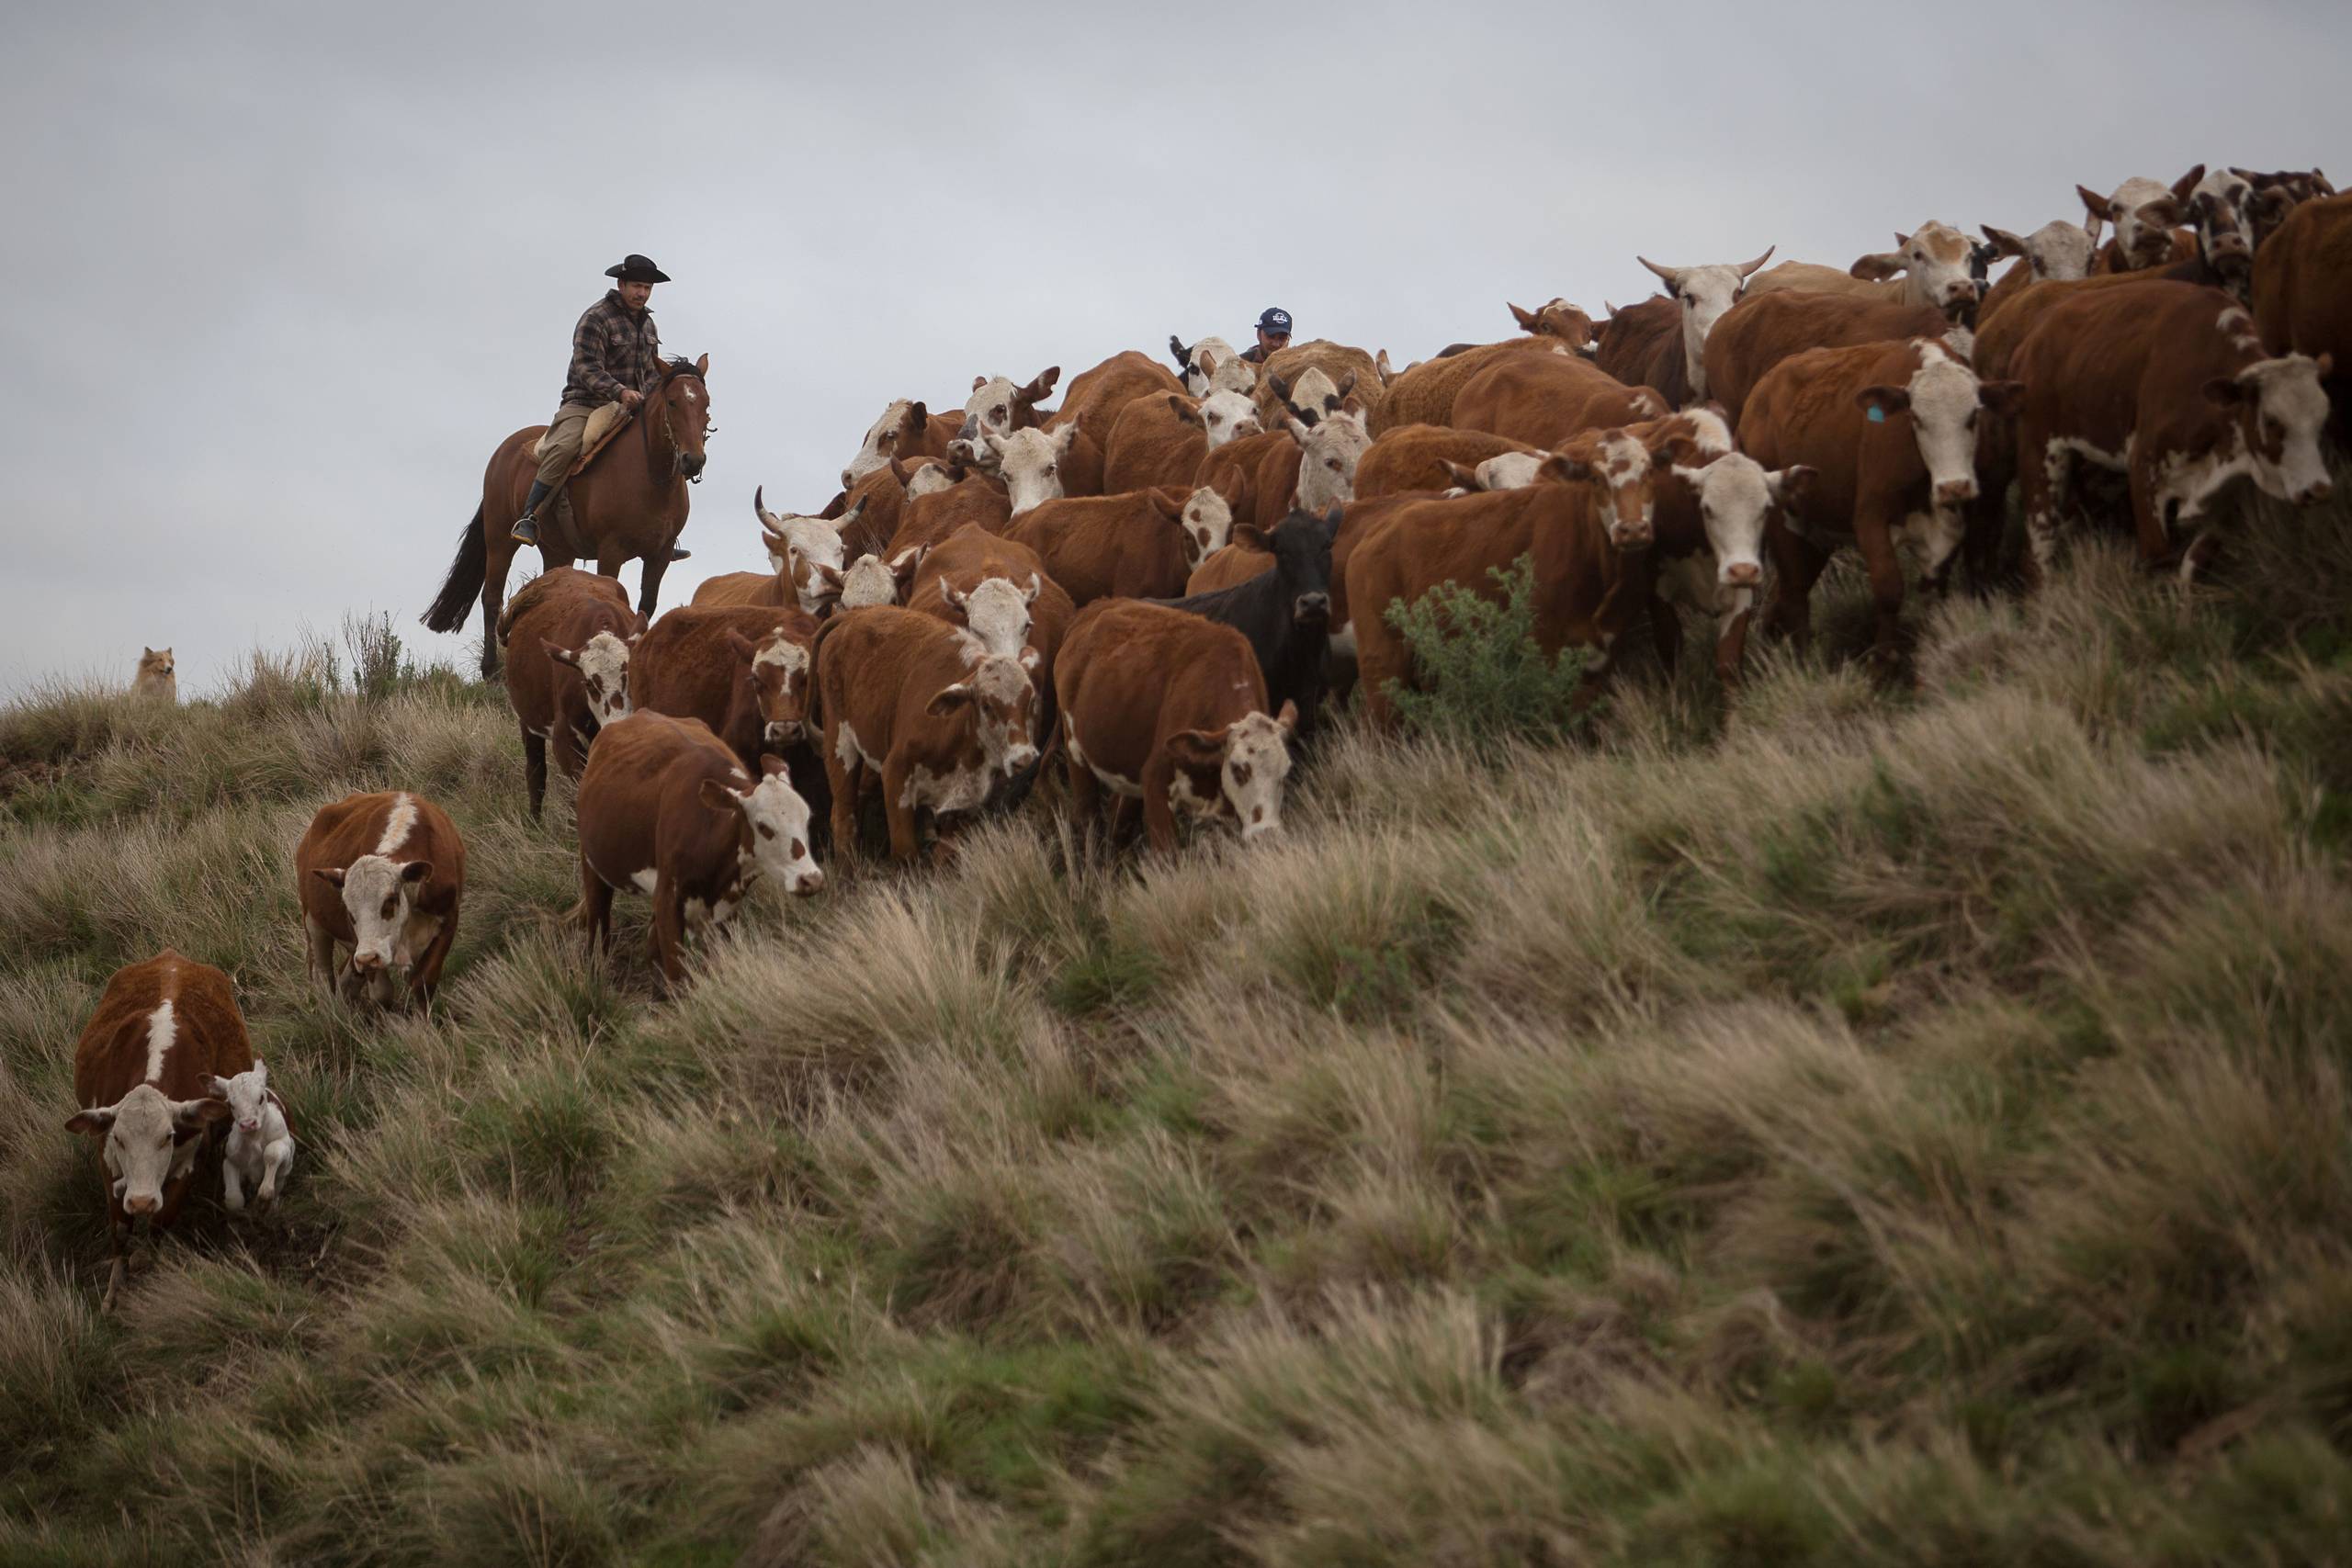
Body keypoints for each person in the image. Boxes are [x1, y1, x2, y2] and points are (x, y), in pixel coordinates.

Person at [512, 254, 683, 550]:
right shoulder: (596, 318)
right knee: (564, 446)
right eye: (637, 286)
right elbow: (586, 366)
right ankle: (531, 515)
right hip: (585, 403)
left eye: (647, 288)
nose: (642, 293)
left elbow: (651, 372)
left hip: (630, 408)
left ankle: (664, 529)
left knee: (665, 444)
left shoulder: (649, 326)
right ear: (621, 284)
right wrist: (620, 391)